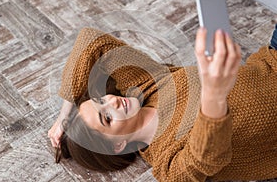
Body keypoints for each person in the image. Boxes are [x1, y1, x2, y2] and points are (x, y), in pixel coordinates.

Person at [48, 26, 277, 181]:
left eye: (101, 101)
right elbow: (204, 157)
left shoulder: (146, 86)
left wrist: (64, 116)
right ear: (118, 145)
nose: (113, 102)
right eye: (106, 117)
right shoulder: (167, 163)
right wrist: (213, 94)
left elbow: (93, 40)